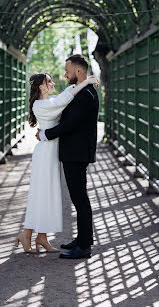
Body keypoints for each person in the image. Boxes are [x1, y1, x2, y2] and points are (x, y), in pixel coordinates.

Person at [15, 71, 98, 254]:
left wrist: (84, 82)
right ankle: (27, 234)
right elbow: (63, 100)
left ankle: (41, 237)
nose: (53, 83)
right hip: (45, 154)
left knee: (48, 194)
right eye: (49, 81)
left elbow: (63, 96)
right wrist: (86, 83)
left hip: (52, 152)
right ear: (41, 86)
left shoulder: (48, 102)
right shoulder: (40, 105)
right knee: (42, 194)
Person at [36, 54, 99, 259]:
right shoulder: (82, 91)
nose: (65, 75)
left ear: (78, 71)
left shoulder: (86, 95)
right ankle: (81, 240)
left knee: (80, 199)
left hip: (77, 154)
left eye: (67, 71)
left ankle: (84, 246)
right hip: (75, 152)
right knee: (78, 198)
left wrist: (45, 134)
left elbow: (68, 125)